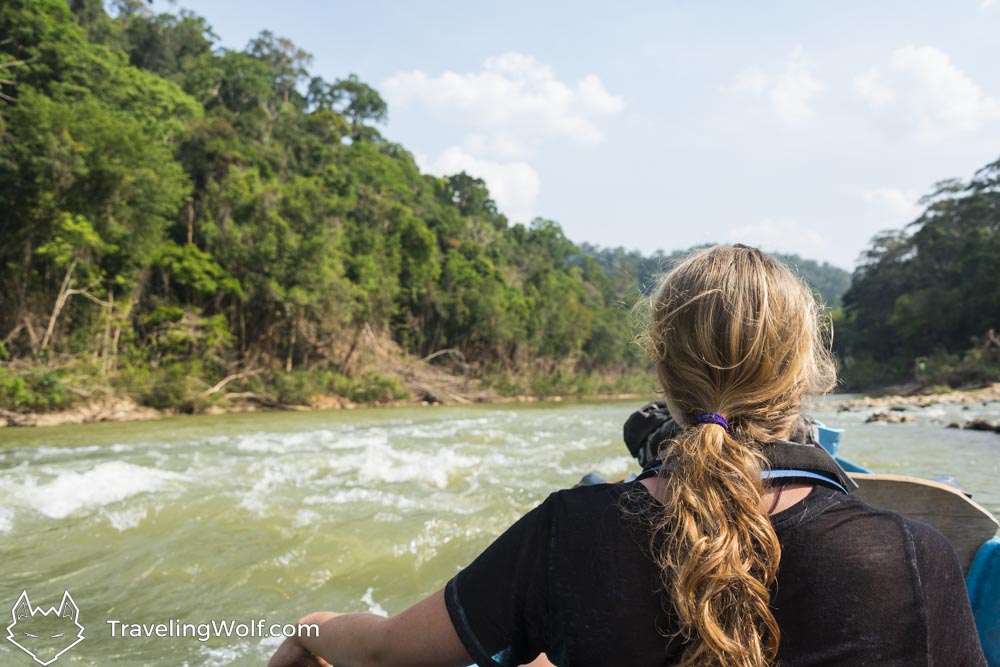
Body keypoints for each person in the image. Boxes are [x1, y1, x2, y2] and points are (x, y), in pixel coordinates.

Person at [269, 244, 986, 667]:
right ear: (804, 370)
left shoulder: (567, 534)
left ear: (663, 372)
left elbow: (384, 653)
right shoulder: (913, 555)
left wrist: (314, 626)